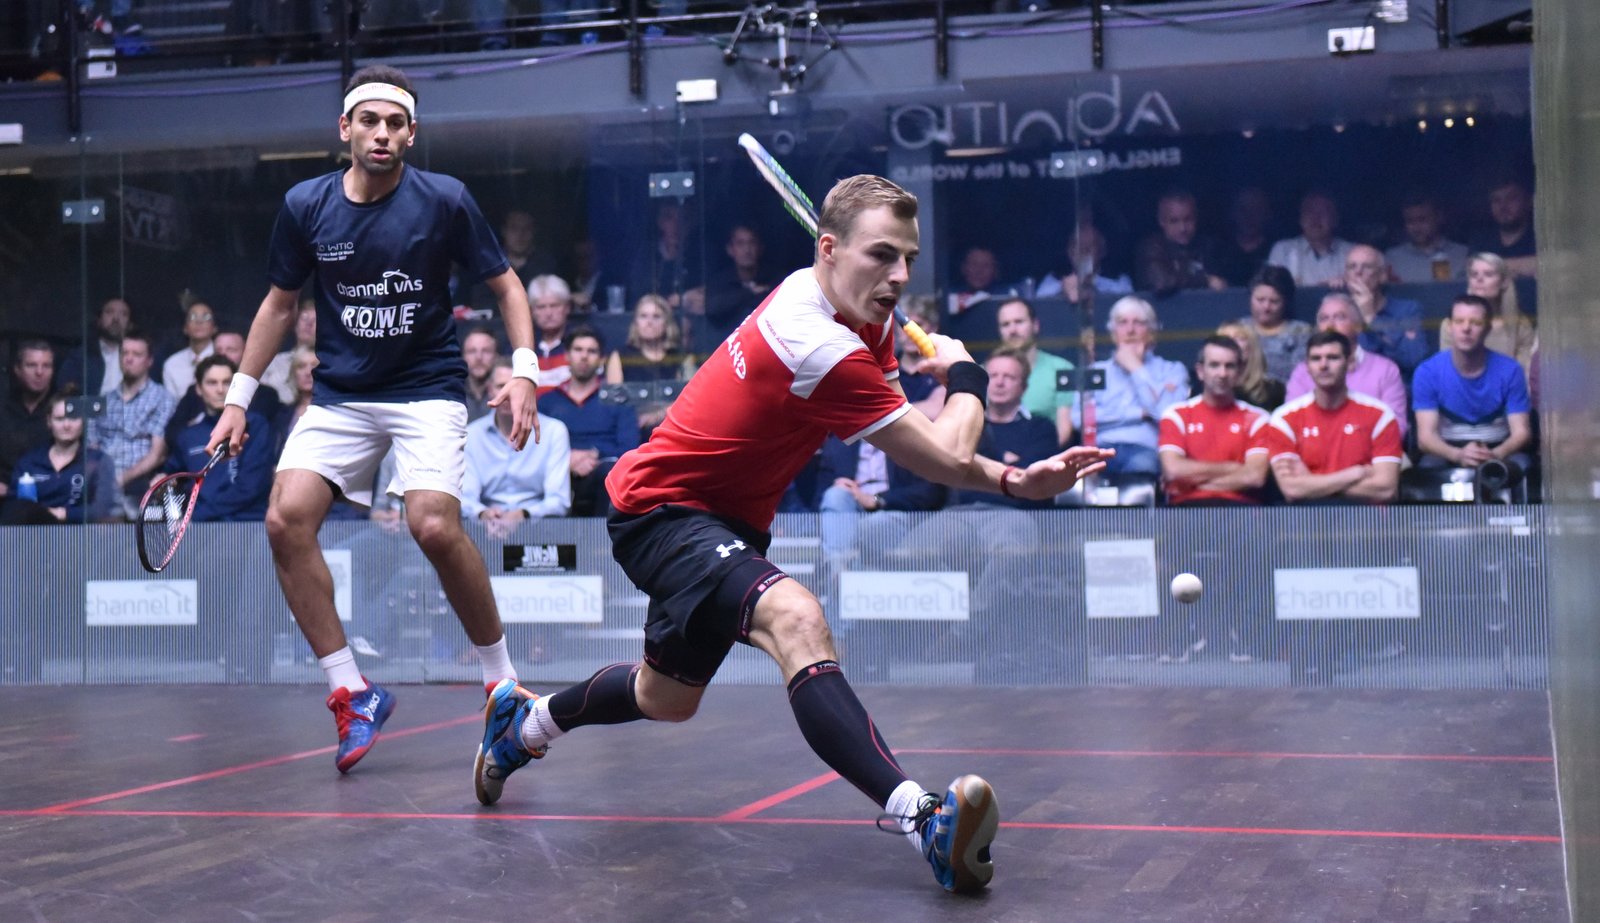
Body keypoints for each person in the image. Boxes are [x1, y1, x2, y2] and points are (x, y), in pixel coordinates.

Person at [471, 174, 1112, 894]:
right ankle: (925, 821)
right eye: (882, 255)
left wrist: (1015, 481)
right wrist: (966, 375)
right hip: (663, 508)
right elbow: (944, 451)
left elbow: (925, 444)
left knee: (665, 697)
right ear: (829, 249)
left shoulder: (858, 315)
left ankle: (523, 725)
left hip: (727, 524)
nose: (900, 275)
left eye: (908, 257)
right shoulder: (816, 342)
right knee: (796, 617)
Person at [206, 65, 541, 774]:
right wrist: (238, 397)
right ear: (345, 129)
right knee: (284, 518)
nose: (381, 133)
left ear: (411, 134)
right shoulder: (306, 205)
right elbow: (278, 305)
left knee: (433, 525)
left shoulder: (444, 199)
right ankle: (351, 692)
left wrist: (524, 371)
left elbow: (507, 286)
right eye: (369, 121)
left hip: (426, 389)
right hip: (341, 395)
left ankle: (502, 685)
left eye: (395, 123)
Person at [1261, 331, 1402, 504]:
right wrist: (1355, 473)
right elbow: (1291, 489)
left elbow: (1386, 489)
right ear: (1307, 366)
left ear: (1348, 363)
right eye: (1315, 359)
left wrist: (1311, 482)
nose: (1323, 365)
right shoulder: (1284, 419)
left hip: (1365, 516)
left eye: (1333, 358)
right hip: (1307, 516)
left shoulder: (1380, 415)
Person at [1413, 295, 1533, 477]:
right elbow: (1425, 438)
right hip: (1446, 450)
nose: (1466, 328)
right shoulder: (1427, 372)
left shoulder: (1511, 370)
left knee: (1522, 466)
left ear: (1488, 328)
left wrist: (1494, 455)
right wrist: (1458, 455)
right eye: (1459, 321)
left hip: (1499, 448)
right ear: (1449, 327)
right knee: (1428, 468)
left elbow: (1522, 433)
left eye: (1476, 322)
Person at [1072, 296, 1190, 477]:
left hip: (1145, 450)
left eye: (1139, 323)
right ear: (1113, 333)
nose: (1130, 330)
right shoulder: (1094, 371)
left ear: (1152, 331)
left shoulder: (1172, 370)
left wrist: (1136, 369)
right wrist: (1139, 414)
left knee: (1141, 468)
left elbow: (1166, 416)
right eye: (1122, 323)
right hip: (1099, 449)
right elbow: (1078, 419)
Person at [463, 359, 572, 537]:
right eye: (501, 386)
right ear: (490, 390)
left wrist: (522, 515)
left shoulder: (554, 431)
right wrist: (483, 514)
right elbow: (466, 498)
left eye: (516, 387)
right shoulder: (472, 435)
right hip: (485, 530)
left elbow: (559, 501)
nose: (508, 394)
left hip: (540, 531)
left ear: (530, 391)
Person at [1159, 336, 1271, 506]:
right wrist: (1232, 467)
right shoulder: (1176, 415)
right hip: (1185, 511)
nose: (1222, 374)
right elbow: (1173, 470)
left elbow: (1254, 477)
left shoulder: (1258, 419)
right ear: (1200, 371)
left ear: (1240, 372)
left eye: (1230, 366)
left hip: (1241, 511)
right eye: (1214, 365)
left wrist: (1195, 484)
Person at [539, 327, 639, 516]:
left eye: (591, 351)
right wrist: (566, 459)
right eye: (578, 350)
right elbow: (535, 450)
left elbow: (630, 449)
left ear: (601, 359)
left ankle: (604, 536)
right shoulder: (546, 402)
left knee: (611, 473)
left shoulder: (619, 400)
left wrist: (594, 455)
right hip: (556, 475)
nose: (584, 356)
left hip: (602, 475)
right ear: (567, 355)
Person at [168, 355, 275, 521]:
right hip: (201, 527)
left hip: (249, 523)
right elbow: (174, 477)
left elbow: (252, 486)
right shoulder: (187, 436)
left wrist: (195, 516)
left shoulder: (256, 425)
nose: (220, 389)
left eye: (227, 383)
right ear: (198, 388)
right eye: (212, 383)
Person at [1285, 293, 1408, 435]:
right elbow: (1291, 424)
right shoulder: (1303, 371)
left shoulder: (1385, 370)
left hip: (1371, 448)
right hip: (1314, 447)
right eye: (1324, 319)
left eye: (1340, 317)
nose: (1330, 325)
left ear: (1358, 326)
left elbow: (1396, 428)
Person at [88, 329, 176, 518]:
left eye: (136, 354)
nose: (128, 359)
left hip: (140, 483)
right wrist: (104, 480)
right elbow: (92, 448)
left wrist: (118, 480)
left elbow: (157, 454)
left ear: (149, 361)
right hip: (102, 482)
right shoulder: (104, 400)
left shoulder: (162, 398)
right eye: (124, 353)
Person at [7, 387, 120, 524]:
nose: (66, 425)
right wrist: (43, 516)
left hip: (84, 535)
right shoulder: (29, 463)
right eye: (59, 419)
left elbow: (104, 510)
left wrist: (65, 513)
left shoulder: (99, 461)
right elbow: (13, 509)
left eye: (73, 418)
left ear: (84, 421)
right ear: (49, 421)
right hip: (35, 534)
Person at [164, 328, 281, 453]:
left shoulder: (264, 397)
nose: (223, 354)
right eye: (218, 350)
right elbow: (173, 435)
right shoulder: (193, 394)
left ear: (245, 353)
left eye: (231, 350)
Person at [994, 297, 1074, 446]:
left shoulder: (1061, 369)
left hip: (1045, 453)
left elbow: (1063, 434)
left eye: (1019, 322)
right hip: (993, 456)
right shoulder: (984, 373)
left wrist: (1027, 456)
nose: (1012, 330)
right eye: (1005, 324)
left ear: (1035, 325)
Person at [1341, 244, 1428, 378]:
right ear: (1346, 276)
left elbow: (1413, 358)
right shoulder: (1337, 311)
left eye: (1367, 267)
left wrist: (1371, 318)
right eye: (1352, 267)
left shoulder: (1407, 310)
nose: (1358, 272)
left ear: (1382, 275)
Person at [1442, 252, 1536, 375]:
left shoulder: (1520, 324)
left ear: (1504, 282)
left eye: (1488, 274)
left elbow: (1524, 373)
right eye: (1474, 274)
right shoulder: (1452, 324)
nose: (1479, 279)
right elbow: (1448, 371)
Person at [1132, 189, 1227, 296]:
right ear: (1161, 221)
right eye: (1174, 221)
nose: (1182, 228)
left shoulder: (1208, 247)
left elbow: (1225, 284)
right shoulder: (1151, 248)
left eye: (1188, 220)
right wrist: (1205, 281)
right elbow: (1162, 282)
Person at [697, 224, 775, 349]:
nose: (747, 250)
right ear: (730, 249)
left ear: (760, 248)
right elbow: (713, 308)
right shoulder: (719, 282)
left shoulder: (775, 279)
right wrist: (750, 293)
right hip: (727, 349)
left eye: (752, 242)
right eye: (740, 243)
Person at [0, 340, 56, 498]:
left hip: (51, 495)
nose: (39, 372)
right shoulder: (3, 407)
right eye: (31, 365)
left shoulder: (61, 409)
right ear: (17, 370)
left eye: (46, 366)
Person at [1235, 264, 1309, 382]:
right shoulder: (1237, 329)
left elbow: (1301, 376)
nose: (1266, 307)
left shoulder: (1301, 332)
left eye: (1274, 301)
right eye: (1260, 300)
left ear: (1285, 302)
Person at [1267, 191, 1353, 287]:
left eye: (1323, 212)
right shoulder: (1283, 250)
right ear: (1300, 219)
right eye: (1309, 212)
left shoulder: (1352, 252)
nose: (1315, 218)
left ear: (1335, 219)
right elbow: (1271, 289)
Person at [1385, 194, 1469, 283]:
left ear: (1438, 218)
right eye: (1410, 221)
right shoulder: (1393, 258)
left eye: (1422, 220)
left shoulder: (1462, 254)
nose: (1416, 227)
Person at [57, 296, 131, 396]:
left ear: (130, 324)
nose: (116, 318)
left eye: (123, 314)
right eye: (109, 312)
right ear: (99, 320)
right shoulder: (80, 356)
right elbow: (65, 392)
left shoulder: (139, 357)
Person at [1468, 178, 1537, 278]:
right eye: (1496, 200)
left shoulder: (1541, 235)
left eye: (1511, 198)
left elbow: (1549, 265)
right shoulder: (1482, 238)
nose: (1503, 206)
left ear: (1528, 201)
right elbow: (1472, 269)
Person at [1215, 321, 1285, 412]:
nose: (1231, 342)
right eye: (1226, 338)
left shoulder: (1274, 390)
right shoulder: (1206, 389)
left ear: (1252, 346)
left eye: (1239, 338)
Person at [1214, 186, 1274, 287]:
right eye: (1243, 209)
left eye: (1256, 210)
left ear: (1267, 214)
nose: (1249, 216)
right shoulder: (1219, 250)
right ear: (1233, 213)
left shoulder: (1275, 250)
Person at [259, 299, 317, 403]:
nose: (308, 324)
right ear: (295, 324)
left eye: (315, 319)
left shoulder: (330, 364)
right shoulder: (272, 363)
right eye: (304, 318)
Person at [161, 301, 217, 399]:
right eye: (193, 317)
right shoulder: (172, 364)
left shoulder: (223, 356)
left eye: (206, 317)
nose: (199, 322)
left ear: (214, 328)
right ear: (185, 328)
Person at [528, 273, 573, 395]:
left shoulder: (580, 345)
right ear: (531, 311)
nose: (548, 313)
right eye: (541, 307)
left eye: (554, 305)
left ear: (567, 307)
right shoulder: (522, 346)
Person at [946, 245, 1016, 316]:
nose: (979, 271)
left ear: (996, 271)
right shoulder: (948, 294)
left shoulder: (1007, 294)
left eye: (986, 265)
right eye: (974, 264)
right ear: (963, 268)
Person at [461, 326, 500, 421]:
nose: (479, 357)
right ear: (463, 357)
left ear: (496, 356)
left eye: (486, 351)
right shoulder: (452, 393)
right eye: (472, 351)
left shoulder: (504, 393)